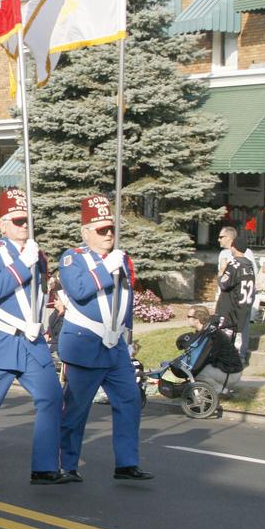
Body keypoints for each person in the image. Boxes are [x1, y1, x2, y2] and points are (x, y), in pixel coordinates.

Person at [0, 188, 67, 489]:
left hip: (31, 341)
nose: (25, 226)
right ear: (4, 224)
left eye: (28, 221)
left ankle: (45, 467)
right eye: (19, 221)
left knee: (51, 398)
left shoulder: (37, 253)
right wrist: (23, 263)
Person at [58, 195, 152, 482]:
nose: (109, 234)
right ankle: (66, 463)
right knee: (76, 410)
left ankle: (126, 462)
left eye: (111, 228)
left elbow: (126, 297)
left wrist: (129, 334)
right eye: (101, 229)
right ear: (86, 232)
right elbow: (79, 290)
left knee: (129, 401)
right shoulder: (74, 257)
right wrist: (105, 267)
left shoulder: (121, 258)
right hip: (85, 342)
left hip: (115, 347)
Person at [178, 306, 244, 393]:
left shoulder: (210, 335)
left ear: (197, 320)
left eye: (189, 316)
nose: (187, 318)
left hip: (231, 373)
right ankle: (209, 390)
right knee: (195, 370)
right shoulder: (206, 331)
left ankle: (222, 391)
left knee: (196, 373)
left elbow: (203, 358)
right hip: (226, 369)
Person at [215, 235, 255, 364]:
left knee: (226, 334)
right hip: (244, 304)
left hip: (230, 306)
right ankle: (239, 358)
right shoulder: (249, 264)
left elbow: (224, 284)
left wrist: (221, 272)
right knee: (239, 334)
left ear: (234, 247)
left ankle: (227, 361)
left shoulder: (234, 264)